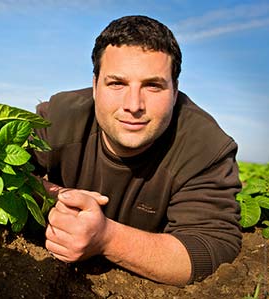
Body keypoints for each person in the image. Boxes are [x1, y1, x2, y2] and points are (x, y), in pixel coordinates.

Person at [31, 15, 242, 286]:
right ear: (95, 86)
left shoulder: (206, 146)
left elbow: (212, 247)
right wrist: (59, 197)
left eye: (153, 86)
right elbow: (6, 176)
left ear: (175, 92)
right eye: (117, 83)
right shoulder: (58, 117)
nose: (133, 105)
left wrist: (106, 237)